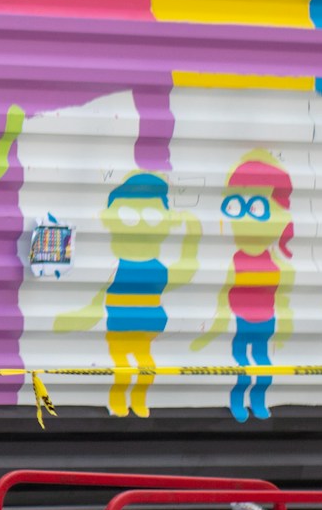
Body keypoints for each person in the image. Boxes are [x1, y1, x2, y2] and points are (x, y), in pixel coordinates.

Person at [54, 171, 202, 417]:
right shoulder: (115, 267)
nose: (142, 223)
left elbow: (185, 272)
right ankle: (117, 400)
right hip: (119, 326)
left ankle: (138, 399)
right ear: (108, 218)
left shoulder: (157, 268)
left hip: (147, 327)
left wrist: (192, 239)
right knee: (122, 366)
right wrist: (77, 317)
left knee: (147, 366)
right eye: (129, 215)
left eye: (152, 216)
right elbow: (96, 299)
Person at [194, 153, 295, 422]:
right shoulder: (235, 260)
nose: (245, 217)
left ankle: (258, 401)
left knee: (262, 362)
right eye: (236, 206)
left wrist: (286, 323)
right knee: (240, 362)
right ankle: (239, 400)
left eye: (258, 207)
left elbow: (281, 296)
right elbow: (224, 292)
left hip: (267, 320)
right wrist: (217, 323)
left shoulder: (274, 262)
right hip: (240, 319)